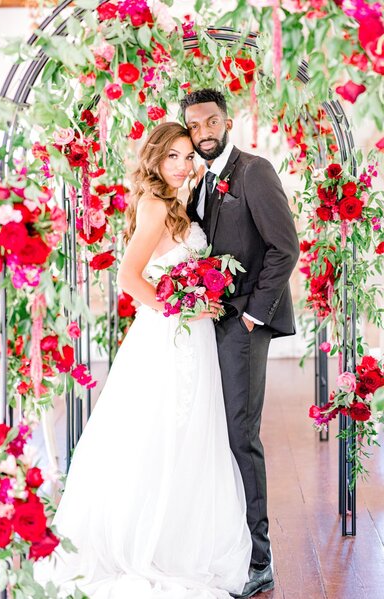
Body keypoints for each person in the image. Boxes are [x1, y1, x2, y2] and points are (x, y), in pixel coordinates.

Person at [34, 122, 252, 599]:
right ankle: (149, 542)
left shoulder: (179, 205)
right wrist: (186, 305)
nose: (182, 164)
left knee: (192, 434)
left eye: (187, 156)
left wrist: (200, 296)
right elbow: (129, 279)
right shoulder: (155, 205)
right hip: (167, 337)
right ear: (154, 158)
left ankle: (183, 535)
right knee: (160, 433)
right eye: (172, 156)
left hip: (190, 335)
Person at [182, 89, 300, 598]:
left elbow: (284, 247)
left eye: (212, 121)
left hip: (244, 325)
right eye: (195, 125)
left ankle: (260, 558)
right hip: (208, 323)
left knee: (240, 436)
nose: (204, 131)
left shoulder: (254, 171)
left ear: (227, 122)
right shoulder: (198, 182)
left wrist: (254, 313)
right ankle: (223, 541)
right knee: (210, 433)